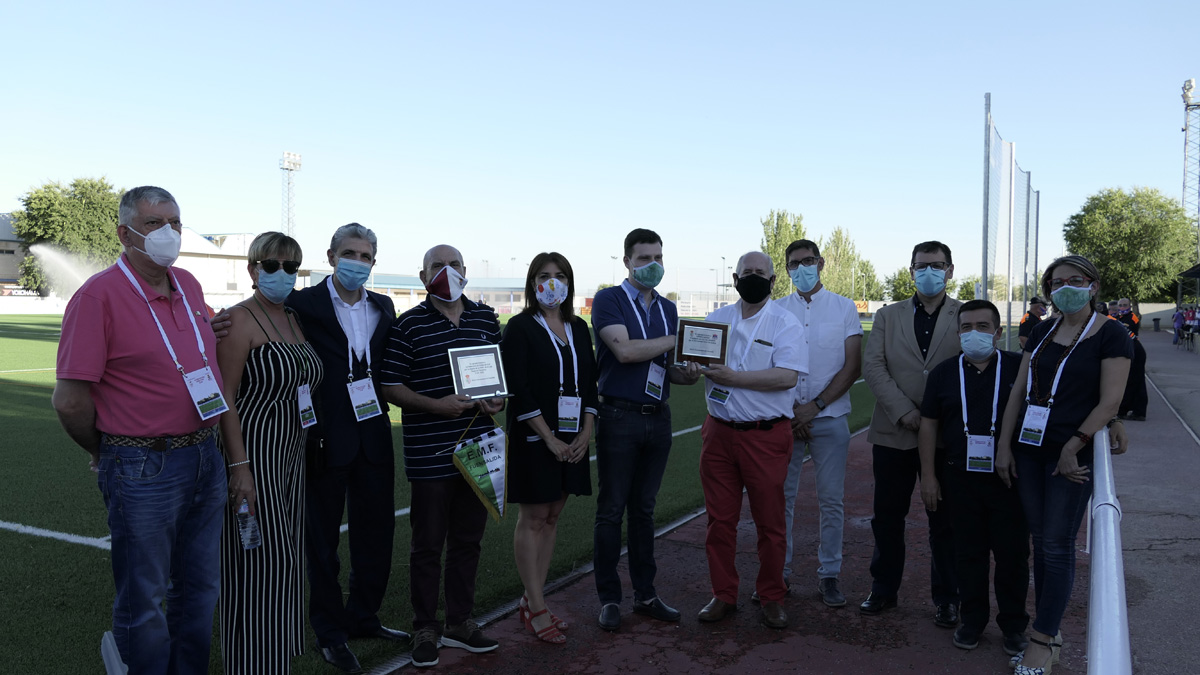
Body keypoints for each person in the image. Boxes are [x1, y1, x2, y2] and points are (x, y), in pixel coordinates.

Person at [53, 186, 227, 674]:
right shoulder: (98, 296)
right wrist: (106, 450)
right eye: (153, 223)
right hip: (141, 464)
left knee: (199, 588)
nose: (167, 232)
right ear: (123, 232)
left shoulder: (188, 283)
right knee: (144, 598)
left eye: (174, 221)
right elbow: (69, 400)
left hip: (203, 456)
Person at [997, 255, 1132, 675]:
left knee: (1056, 545)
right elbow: (1018, 391)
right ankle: (1048, 628)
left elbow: (1110, 399)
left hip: (1070, 456)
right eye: (1056, 282)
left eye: (1075, 280)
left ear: (1093, 285)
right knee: (1041, 540)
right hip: (1030, 448)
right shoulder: (1041, 329)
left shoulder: (1112, 335)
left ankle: (1042, 640)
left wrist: (1076, 443)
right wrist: (1004, 445)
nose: (1065, 287)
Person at [286, 223, 407, 674]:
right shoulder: (303, 303)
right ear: (332, 255)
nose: (358, 261)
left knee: (376, 533)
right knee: (322, 543)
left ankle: (363, 616)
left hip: (375, 434)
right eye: (350, 253)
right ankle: (330, 632)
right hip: (324, 438)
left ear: (374, 261)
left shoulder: (385, 305)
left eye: (366, 255)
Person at [380, 245, 502, 667]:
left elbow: (499, 380)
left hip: (479, 448)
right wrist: (437, 405)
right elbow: (391, 385)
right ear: (422, 275)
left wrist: (496, 401)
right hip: (430, 452)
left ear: (466, 272)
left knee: (469, 540)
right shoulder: (408, 326)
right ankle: (425, 626)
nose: (447, 272)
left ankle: (461, 622)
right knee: (428, 544)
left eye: (454, 266)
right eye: (437, 266)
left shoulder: (486, 319)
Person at [215, 232, 324, 674]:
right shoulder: (239, 321)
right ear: (253, 269)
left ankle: (275, 660)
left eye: (291, 267)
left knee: (286, 562)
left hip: (290, 459)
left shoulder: (294, 319)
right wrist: (240, 469)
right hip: (253, 455)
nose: (282, 274)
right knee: (257, 564)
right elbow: (224, 397)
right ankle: (249, 663)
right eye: (272, 266)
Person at [591, 229, 698, 631]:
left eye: (657, 257)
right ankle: (609, 598)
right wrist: (676, 339)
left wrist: (687, 374)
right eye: (642, 258)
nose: (651, 265)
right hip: (618, 416)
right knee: (611, 510)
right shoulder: (609, 299)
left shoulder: (667, 309)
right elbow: (626, 351)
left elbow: (665, 366)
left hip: (658, 415)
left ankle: (646, 594)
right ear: (626, 262)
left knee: (644, 510)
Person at [695, 251, 806, 630]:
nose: (754, 277)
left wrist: (733, 379)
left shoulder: (785, 323)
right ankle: (723, 594)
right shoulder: (716, 320)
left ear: (773, 281)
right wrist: (688, 369)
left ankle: (772, 595)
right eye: (747, 273)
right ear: (735, 277)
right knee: (719, 522)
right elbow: (693, 365)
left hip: (766, 436)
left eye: (761, 273)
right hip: (719, 434)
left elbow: (787, 377)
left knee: (770, 523)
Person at [917, 299, 1029, 660]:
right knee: (968, 554)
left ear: (998, 332)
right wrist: (929, 477)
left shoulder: (1017, 368)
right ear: (957, 333)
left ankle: (1014, 625)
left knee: (1012, 556)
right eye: (966, 327)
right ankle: (973, 620)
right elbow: (929, 427)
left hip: (1007, 477)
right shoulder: (944, 373)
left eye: (983, 326)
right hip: (958, 477)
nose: (974, 333)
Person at [861, 240, 961, 627]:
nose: (929, 272)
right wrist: (905, 412)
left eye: (937, 265)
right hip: (893, 432)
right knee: (887, 517)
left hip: (946, 435)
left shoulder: (964, 315)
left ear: (950, 271)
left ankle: (948, 598)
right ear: (911, 271)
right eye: (922, 266)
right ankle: (883, 588)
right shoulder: (888, 315)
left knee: (945, 521)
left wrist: (934, 418)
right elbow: (873, 367)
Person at [501, 252, 600, 644]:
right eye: (544, 276)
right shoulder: (520, 327)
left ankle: (532, 599)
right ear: (532, 283)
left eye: (560, 276)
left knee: (555, 513)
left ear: (570, 283)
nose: (552, 283)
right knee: (534, 516)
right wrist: (549, 438)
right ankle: (538, 609)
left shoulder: (579, 328)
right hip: (536, 438)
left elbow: (590, 384)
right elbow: (519, 390)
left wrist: (586, 433)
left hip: (574, 436)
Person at [774, 239, 862, 608]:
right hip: (785, 419)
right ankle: (779, 574)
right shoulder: (776, 310)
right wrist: (794, 409)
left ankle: (829, 575)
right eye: (794, 264)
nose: (802, 268)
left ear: (821, 263)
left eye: (808, 261)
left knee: (831, 500)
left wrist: (816, 405)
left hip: (830, 417)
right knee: (781, 500)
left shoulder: (844, 308)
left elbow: (851, 365)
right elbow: (772, 363)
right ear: (788, 269)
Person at [1114, 298, 1148, 421]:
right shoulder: (1119, 318)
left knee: (1135, 381)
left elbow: (1127, 331)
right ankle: (1127, 409)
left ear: (1129, 306)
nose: (1122, 308)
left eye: (1125, 305)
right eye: (1120, 305)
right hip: (1128, 350)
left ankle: (1136, 411)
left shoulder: (1133, 318)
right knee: (1129, 381)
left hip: (1136, 352)